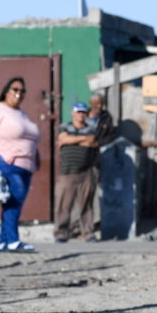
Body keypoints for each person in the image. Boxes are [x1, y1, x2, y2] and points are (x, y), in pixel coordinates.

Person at [0, 78, 41, 252]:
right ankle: (13, 241)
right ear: (7, 91)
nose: (19, 93)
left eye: (22, 91)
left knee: (13, 202)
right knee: (15, 200)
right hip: (8, 161)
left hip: (26, 165)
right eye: (15, 89)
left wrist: (36, 157)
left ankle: (4, 241)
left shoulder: (21, 113)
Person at [54, 102, 99, 243]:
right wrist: (80, 140)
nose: (81, 114)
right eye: (78, 112)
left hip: (86, 172)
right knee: (63, 205)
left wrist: (71, 140)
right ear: (73, 113)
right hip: (67, 172)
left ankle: (88, 233)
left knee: (86, 205)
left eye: (83, 112)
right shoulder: (64, 126)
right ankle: (61, 234)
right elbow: (62, 138)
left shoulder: (91, 129)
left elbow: (92, 142)